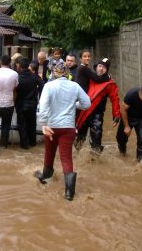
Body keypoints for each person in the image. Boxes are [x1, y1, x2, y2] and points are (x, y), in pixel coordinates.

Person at [34, 62, 91, 201]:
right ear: (67, 74)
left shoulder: (49, 86)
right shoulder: (75, 86)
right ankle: (69, 193)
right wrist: (73, 104)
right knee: (66, 157)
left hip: (51, 126)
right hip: (68, 128)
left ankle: (45, 177)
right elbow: (87, 104)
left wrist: (43, 124)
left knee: (49, 152)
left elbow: (43, 107)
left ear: (53, 73)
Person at [75, 58, 120, 157]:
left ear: (107, 70)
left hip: (97, 115)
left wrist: (116, 115)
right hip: (84, 112)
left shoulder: (110, 84)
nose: (101, 69)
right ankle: (76, 157)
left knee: (96, 139)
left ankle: (95, 160)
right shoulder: (89, 77)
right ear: (96, 67)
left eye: (104, 67)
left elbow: (115, 99)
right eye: (100, 66)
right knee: (79, 139)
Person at [116, 85, 142, 164]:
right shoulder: (131, 94)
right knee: (121, 138)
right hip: (128, 117)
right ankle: (122, 152)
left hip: (141, 118)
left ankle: (140, 161)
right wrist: (127, 126)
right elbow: (123, 109)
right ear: (140, 93)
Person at [0, 54, 19, 158]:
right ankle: (4, 147)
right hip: (8, 104)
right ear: (10, 63)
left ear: (0, 62)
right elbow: (15, 90)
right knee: (6, 126)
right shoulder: (15, 74)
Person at [15, 57, 41, 149]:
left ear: (20, 66)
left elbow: (13, 91)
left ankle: (24, 145)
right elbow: (42, 87)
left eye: (17, 64)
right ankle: (33, 143)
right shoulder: (35, 76)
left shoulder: (17, 77)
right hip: (32, 105)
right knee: (32, 124)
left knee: (22, 125)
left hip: (21, 105)